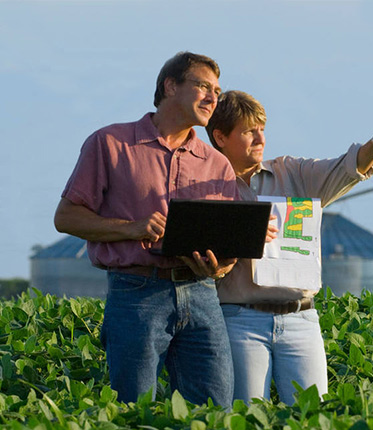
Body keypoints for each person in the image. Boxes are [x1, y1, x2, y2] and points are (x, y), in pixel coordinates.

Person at [54, 52, 240, 407]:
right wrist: (132, 228)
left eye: (217, 90)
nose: (213, 98)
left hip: (201, 292)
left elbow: (226, 246)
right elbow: (66, 217)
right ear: (170, 86)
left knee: (216, 410)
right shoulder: (109, 143)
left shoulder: (218, 163)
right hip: (136, 292)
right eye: (203, 86)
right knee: (132, 408)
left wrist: (219, 267)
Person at [206, 90, 373, 405]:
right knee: (245, 416)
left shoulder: (294, 173)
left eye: (262, 128)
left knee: (312, 415)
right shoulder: (204, 186)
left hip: (301, 319)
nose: (260, 137)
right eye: (249, 131)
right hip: (239, 320)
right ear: (220, 137)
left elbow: (344, 168)